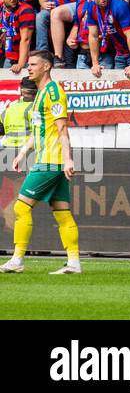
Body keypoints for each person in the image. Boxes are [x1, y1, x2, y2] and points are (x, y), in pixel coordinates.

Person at [1, 50, 81, 274]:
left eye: (34, 64)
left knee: (20, 206)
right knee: (62, 212)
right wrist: (22, 153)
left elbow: (62, 127)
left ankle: (17, 260)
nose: (29, 68)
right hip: (48, 159)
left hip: (51, 161)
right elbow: (38, 131)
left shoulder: (54, 91)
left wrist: (67, 159)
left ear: (46, 67)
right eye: (29, 64)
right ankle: (74, 263)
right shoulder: (41, 93)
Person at [0, 75, 35, 148]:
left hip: (7, 148)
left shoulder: (8, 109)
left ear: (21, 90)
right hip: (29, 149)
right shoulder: (37, 108)